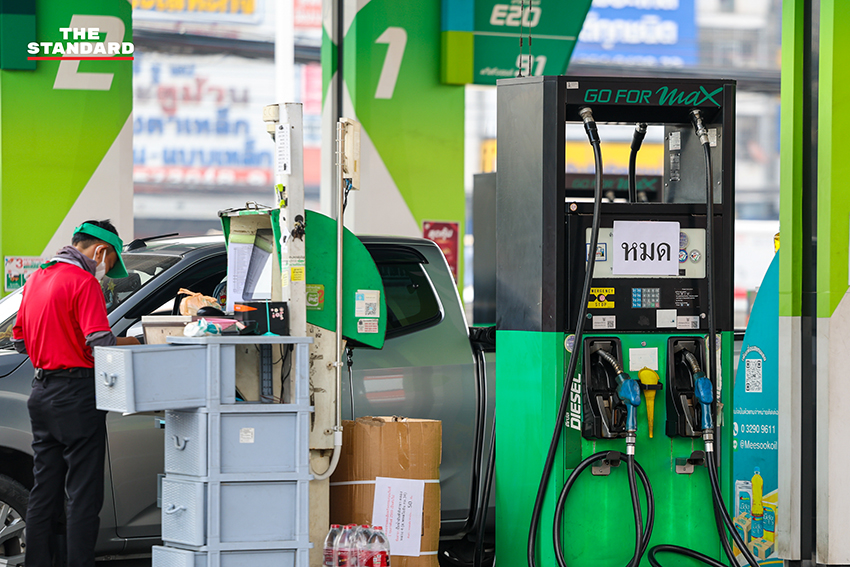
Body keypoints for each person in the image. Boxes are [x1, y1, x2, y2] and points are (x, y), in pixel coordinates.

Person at [12, 220, 139, 567]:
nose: (106, 271)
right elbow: (100, 342)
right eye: (110, 262)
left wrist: (54, 342)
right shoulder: (83, 282)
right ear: (100, 250)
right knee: (83, 494)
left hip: (41, 392)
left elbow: (20, 339)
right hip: (77, 394)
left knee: (44, 490)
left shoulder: (36, 277)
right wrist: (140, 341)